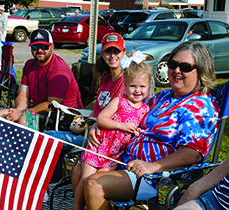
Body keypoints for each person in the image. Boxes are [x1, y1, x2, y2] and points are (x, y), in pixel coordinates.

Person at [71, 41, 221, 210]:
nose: (177, 71)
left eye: (185, 67)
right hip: (123, 160)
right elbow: (129, 113)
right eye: (173, 64)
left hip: (156, 177)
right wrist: (100, 126)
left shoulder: (201, 106)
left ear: (201, 71)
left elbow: (193, 153)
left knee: (95, 184)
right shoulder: (163, 96)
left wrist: (154, 166)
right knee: (78, 172)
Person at [43, 32, 126, 183]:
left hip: (99, 139)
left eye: (116, 51)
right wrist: (80, 122)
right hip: (89, 130)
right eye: (108, 51)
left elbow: (114, 116)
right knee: (44, 134)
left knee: (48, 141)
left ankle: (52, 186)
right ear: (103, 54)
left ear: (123, 53)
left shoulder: (124, 82)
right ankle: (53, 184)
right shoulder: (106, 80)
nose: (112, 55)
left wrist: (84, 127)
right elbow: (96, 111)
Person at [73, 51, 153, 210]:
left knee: (97, 181)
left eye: (142, 86)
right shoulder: (120, 100)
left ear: (149, 86)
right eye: (132, 86)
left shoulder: (146, 109)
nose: (137, 91)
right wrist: (121, 126)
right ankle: (76, 207)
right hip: (99, 146)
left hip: (115, 154)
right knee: (85, 179)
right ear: (126, 85)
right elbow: (102, 118)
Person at [0, 28, 83, 131]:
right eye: (35, 47)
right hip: (42, 112)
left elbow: (51, 105)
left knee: (25, 120)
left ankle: (26, 146)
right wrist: (17, 111)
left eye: (44, 46)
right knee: (1, 116)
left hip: (65, 116)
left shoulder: (59, 70)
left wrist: (22, 113)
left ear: (52, 47)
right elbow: (23, 95)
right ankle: (8, 145)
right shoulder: (29, 65)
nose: (40, 50)